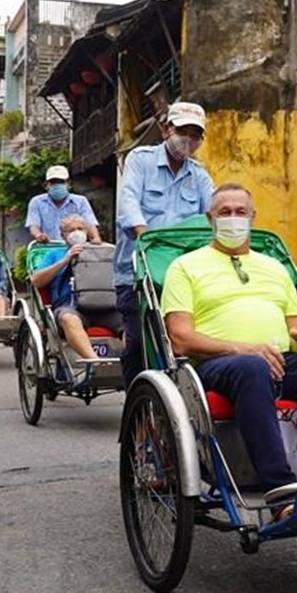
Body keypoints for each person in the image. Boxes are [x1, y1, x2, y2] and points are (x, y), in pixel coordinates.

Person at [161, 184, 297, 508]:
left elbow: (294, 325)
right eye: (225, 212)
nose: (233, 218)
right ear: (210, 218)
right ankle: (282, 494)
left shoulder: (275, 268)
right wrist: (241, 349)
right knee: (253, 367)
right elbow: (181, 338)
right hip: (216, 365)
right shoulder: (185, 267)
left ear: (253, 217)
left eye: (241, 212)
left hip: (279, 360)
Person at [114, 101, 215, 387]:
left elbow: (214, 211)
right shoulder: (140, 160)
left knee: (185, 340)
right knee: (137, 344)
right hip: (137, 273)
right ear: (165, 129)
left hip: (182, 276)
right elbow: (129, 202)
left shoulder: (199, 175)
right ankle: (136, 406)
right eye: (183, 131)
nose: (188, 140)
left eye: (195, 135)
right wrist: (144, 234)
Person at [28, 215, 120, 380]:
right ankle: (97, 364)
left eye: (80, 229)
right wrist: (66, 260)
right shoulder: (55, 254)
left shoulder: (102, 252)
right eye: (71, 230)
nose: (76, 233)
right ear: (63, 235)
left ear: (87, 231)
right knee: (69, 319)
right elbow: (36, 280)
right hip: (70, 307)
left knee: (131, 322)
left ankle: (126, 365)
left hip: (105, 306)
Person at [25, 165, 101, 243]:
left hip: (75, 246)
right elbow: (33, 225)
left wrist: (96, 238)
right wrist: (39, 235)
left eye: (61, 182)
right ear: (46, 185)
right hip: (47, 247)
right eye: (53, 182)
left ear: (68, 183)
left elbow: (90, 223)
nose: (57, 185)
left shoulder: (80, 201)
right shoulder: (37, 202)